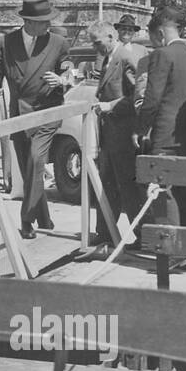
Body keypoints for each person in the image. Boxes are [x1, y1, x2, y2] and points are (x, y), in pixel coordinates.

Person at [0, 0, 73, 238]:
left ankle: (26, 220)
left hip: (47, 112)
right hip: (19, 115)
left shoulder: (58, 42)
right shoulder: (4, 43)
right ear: (29, 22)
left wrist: (63, 80)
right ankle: (44, 219)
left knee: (36, 160)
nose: (48, 26)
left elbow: (69, 70)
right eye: (43, 22)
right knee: (29, 168)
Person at [136, 5, 186, 271]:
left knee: (163, 194)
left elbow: (152, 99)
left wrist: (141, 128)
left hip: (165, 136)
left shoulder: (162, 55)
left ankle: (172, 254)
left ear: (159, 33)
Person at [76, 21, 141, 260]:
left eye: (98, 42)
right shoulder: (107, 58)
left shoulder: (125, 58)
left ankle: (142, 235)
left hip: (123, 134)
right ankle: (105, 233)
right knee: (107, 186)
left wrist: (110, 106)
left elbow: (136, 96)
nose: (96, 47)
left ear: (111, 37)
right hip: (109, 134)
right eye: (93, 43)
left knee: (127, 187)